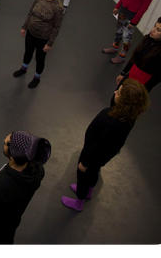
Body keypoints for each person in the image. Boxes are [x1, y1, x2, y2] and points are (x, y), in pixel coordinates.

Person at [61, 79, 150, 212]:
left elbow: (99, 145)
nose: (115, 92)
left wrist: (85, 161)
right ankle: (89, 192)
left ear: (125, 102)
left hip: (92, 154)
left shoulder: (112, 121)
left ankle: (79, 202)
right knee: (94, 171)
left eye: (118, 93)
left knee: (82, 175)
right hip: (104, 156)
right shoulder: (129, 117)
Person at [0, 131, 51, 248]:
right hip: (11, 223)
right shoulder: (38, 171)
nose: (4, 140)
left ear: (12, 155)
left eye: (7, 143)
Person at [13, 0, 65, 88]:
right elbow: (31, 12)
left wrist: (49, 43)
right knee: (28, 52)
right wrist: (24, 27)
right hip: (31, 32)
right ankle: (23, 68)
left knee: (40, 58)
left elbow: (56, 27)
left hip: (43, 37)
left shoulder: (58, 8)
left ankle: (37, 78)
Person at [114, 16, 161, 95]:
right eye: (155, 26)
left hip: (140, 85)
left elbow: (156, 78)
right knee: (115, 97)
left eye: (158, 30)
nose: (153, 30)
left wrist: (143, 91)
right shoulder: (147, 39)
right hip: (130, 76)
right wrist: (123, 73)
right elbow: (134, 57)